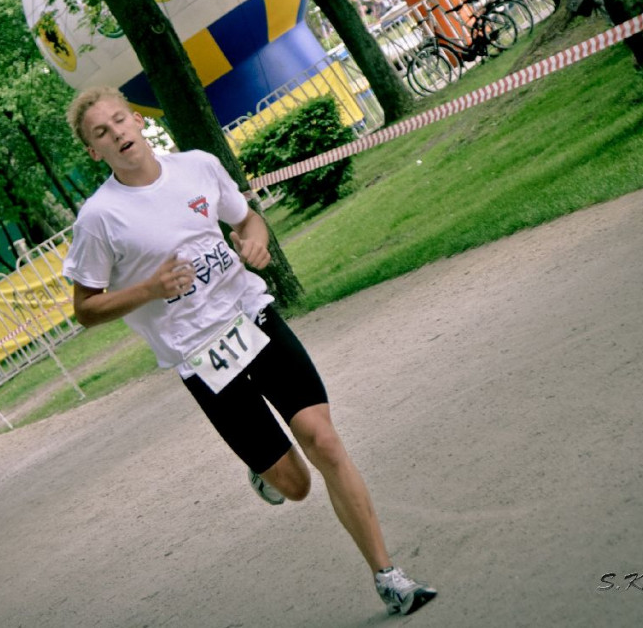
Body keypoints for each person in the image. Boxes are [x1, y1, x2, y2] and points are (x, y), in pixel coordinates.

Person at [61, 87, 436, 617]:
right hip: (201, 357)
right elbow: (85, 309)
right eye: (102, 132)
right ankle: (267, 473)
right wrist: (148, 289)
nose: (117, 132)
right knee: (297, 484)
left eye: (120, 119)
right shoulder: (100, 219)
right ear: (95, 151)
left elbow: (247, 219)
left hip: (251, 317)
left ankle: (387, 574)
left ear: (138, 121)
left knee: (323, 441)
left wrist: (255, 240)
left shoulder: (198, 166)